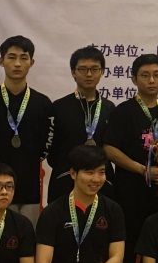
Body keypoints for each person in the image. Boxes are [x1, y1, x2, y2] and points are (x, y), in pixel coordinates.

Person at [101, 53, 158, 263]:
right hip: (130, 193)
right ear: (134, 79)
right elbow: (109, 149)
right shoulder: (123, 111)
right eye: (145, 75)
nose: (151, 80)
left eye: (157, 75)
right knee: (127, 250)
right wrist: (143, 170)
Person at [0, 35, 54, 222]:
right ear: (1, 61)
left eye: (23, 58)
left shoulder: (43, 104)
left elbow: (47, 143)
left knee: (26, 236)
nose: (17, 64)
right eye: (11, 57)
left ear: (32, 62)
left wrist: (27, 160)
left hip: (28, 187)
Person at [47, 46, 115, 203]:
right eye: (83, 69)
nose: (89, 74)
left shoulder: (109, 108)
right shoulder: (59, 107)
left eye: (94, 69)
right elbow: (52, 150)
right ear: (73, 72)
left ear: (102, 72)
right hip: (65, 180)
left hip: (101, 183)